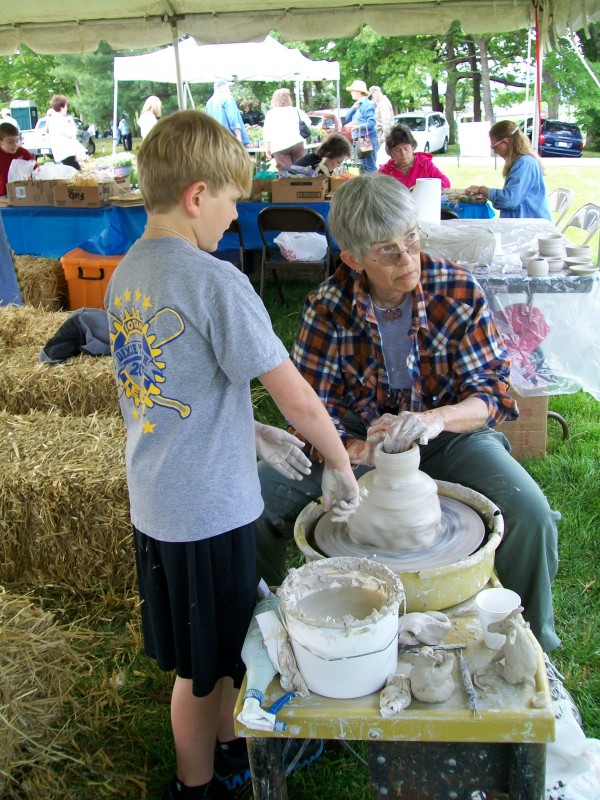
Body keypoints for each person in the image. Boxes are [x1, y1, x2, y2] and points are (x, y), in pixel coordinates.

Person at [104, 109, 359, 800]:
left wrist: (250, 433)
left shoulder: (126, 275)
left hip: (160, 502)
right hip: (208, 513)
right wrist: (338, 462)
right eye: (232, 199)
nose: (234, 214)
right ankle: (198, 785)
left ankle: (231, 745)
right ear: (196, 195)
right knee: (199, 671)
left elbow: (170, 390)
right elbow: (299, 399)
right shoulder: (216, 281)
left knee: (215, 650)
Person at [255, 173, 562, 656]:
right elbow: (315, 408)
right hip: (357, 437)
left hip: (447, 432)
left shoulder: (457, 289)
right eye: (387, 251)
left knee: (532, 514)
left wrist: (436, 419)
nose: (407, 260)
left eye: (412, 240)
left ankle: (534, 646)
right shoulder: (327, 308)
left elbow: (493, 393)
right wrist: (354, 451)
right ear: (354, 258)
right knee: (255, 503)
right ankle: (274, 637)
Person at [465, 120, 552, 219]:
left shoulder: (525, 163)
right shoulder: (521, 162)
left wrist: (482, 189)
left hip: (531, 228)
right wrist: (487, 195)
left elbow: (509, 200)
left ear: (507, 142)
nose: (495, 151)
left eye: (494, 146)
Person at [378, 123, 451, 189]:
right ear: (391, 152)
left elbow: (446, 183)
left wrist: (427, 187)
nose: (403, 153)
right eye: (398, 150)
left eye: (406, 148)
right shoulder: (385, 172)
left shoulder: (424, 164)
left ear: (412, 146)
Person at [262, 87, 311, 170]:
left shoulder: (271, 113)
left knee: (285, 173)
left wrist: (267, 148)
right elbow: (308, 122)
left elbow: (267, 133)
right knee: (301, 170)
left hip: (279, 146)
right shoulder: (296, 110)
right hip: (297, 143)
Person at [344, 79, 379, 173]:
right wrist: (353, 108)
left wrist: (357, 127)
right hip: (358, 139)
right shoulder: (357, 105)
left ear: (359, 92)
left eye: (352, 91)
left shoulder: (368, 105)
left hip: (367, 140)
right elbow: (347, 117)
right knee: (361, 167)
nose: (351, 93)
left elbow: (371, 123)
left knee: (370, 166)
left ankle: (373, 186)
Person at [204, 80, 250, 146]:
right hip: (229, 139)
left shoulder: (209, 102)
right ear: (222, 87)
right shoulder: (227, 98)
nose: (229, 90)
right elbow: (233, 118)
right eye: (228, 87)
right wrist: (238, 136)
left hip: (215, 140)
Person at [46, 94, 84, 170]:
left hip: (60, 155)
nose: (66, 109)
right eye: (66, 106)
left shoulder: (52, 119)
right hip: (66, 154)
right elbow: (71, 134)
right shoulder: (60, 119)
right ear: (61, 107)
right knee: (76, 175)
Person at [0, 122, 35, 196]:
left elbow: (36, 169)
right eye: (10, 142)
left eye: (17, 141)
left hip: (20, 193)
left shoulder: (22, 152)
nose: (15, 145)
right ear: (1, 142)